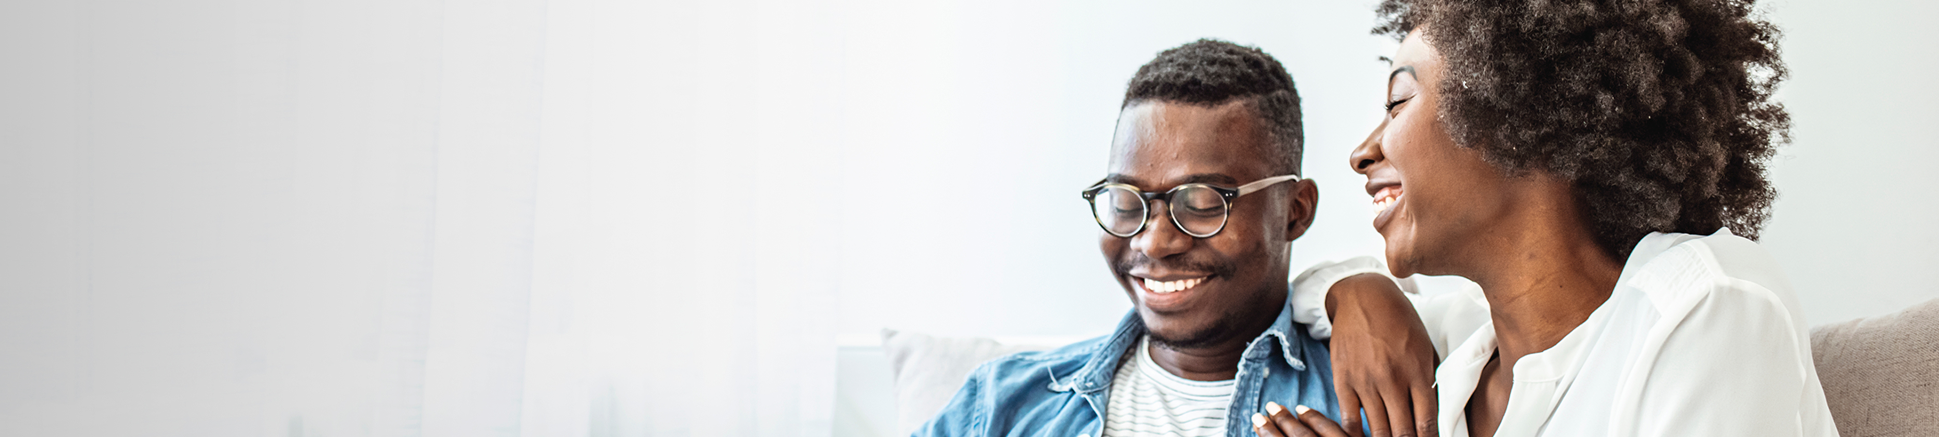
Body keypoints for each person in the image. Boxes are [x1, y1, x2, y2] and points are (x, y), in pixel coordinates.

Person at [1253, 1, 1840, 436]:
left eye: (1398, 102)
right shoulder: (1463, 343)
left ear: (1510, 114)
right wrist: (1360, 291)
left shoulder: (1702, 304)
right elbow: (1302, 293)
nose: (1362, 153)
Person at [912, 39, 1439, 437]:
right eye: (1126, 201)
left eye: (1202, 202)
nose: (1154, 243)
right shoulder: (1000, 403)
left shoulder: (1380, 393)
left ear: (1295, 212)